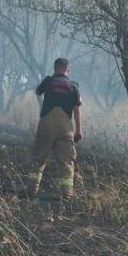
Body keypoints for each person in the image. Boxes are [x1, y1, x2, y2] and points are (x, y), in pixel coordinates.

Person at [25, 58, 83, 199]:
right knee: (66, 162)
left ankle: (32, 190)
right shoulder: (73, 86)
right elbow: (77, 110)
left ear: (55, 67)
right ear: (67, 69)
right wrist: (78, 130)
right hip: (65, 127)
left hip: (47, 124)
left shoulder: (48, 81)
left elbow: (38, 91)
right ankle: (67, 194)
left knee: (39, 157)